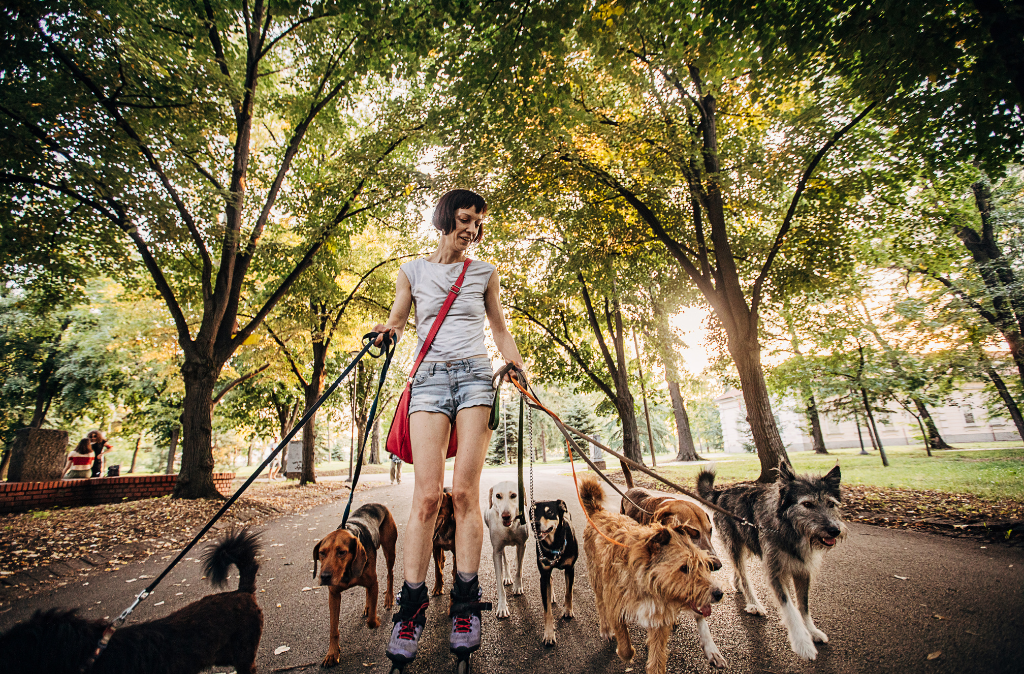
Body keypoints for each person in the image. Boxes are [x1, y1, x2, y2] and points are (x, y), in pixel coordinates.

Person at [372, 189, 526, 667]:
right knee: (424, 497)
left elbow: (499, 328)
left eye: (478, 222)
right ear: (445, 219)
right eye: (465, 219)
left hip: (478, 377)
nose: (472, 229)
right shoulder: (412, 270)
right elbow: (399, 318)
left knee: (463, 494)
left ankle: (464, 606)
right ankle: (410, 610)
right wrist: (387, 332)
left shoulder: (484, 273)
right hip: (430, 381)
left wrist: (515, 362)